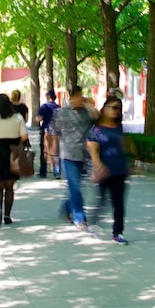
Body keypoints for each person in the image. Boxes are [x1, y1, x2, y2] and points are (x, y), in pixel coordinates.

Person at [86, 96, 129, 245]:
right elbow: (93, 149)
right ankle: (93, 222)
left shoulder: (119, 126)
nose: (117, 111)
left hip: (119, 170)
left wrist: (129, 161)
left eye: (119, 108)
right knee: (102, 199)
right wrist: (98, 167)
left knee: (118, 203)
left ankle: (118, 232)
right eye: (114, 107)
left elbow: (122, 144)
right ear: (105, 109)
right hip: (104, 171)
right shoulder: (96, 129)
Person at [0, 93, 29, 227]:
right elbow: (25, 136)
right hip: (13, 152)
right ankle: (8, 215)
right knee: (9, 187)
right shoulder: (17, 117)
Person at [56, 85, 97, 230]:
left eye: (81, 95)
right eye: (77, 96)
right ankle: (79, 218)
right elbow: (54, 130)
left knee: (77, 187)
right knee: (75, 187)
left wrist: (89, 105)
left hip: (83, 154)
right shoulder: (62, 112)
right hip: (68, 154)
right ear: (71, 99)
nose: (80, 98)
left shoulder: (87, 112)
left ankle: (66, 209)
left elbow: (98, 118)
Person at [35, 90, 60, 178]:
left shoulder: (44, 106)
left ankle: (43, 172)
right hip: (56, 131)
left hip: (46, 129)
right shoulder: (58, 107)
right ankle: (57, 171)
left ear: (48, 97)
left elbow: (39, 118)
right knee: (56, 151)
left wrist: (38, 118)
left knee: (44, 151)